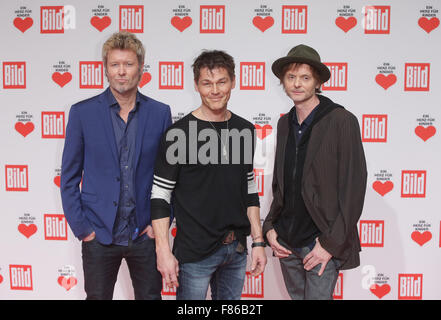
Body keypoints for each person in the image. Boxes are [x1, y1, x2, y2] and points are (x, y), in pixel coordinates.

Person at [60, 31, 172, 300]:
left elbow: (170, 176)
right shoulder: (82, 113)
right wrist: (84, 230)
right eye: (115, 65)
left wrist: (160, 226)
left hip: (145, 235)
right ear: (105, 69)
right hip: (99, 235)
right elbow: (69, 178)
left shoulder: (160, 113)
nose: (122, 72)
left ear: (141, 68)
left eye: (129, 64)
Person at [150, 50, 267, 300]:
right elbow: (160, 196)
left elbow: (248, 189)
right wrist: (162, 250)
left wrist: (257, 241)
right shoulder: (178, 135)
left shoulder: (244, 129)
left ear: (233, 82)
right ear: (197, 85)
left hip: (235, 250)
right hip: (194, 253)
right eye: (207, 83)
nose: (215, 90)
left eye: (222, 82)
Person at [263, 44, 367, 300]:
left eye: (305, 77)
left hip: (320, 241)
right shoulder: (284, 122)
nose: (297, 84)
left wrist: (329, 244)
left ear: (318, 81)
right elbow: (282, 181)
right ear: (283, 82)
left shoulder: (341, 120)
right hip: (287, 240)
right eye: (291, 77)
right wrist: (270, 227)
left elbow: (353, 189)